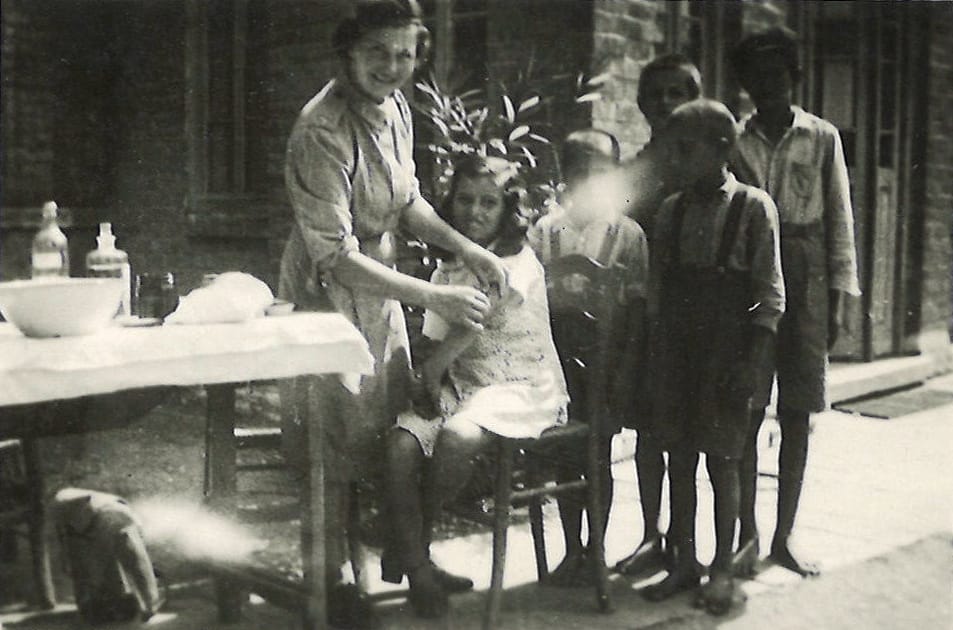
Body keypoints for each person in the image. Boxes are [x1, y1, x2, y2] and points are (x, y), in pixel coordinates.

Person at [277, 2, 507, 627]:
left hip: (379, 289)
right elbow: (334, 254)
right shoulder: (320, 129)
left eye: (405, 54)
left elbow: (406, 201)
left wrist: (469, 247)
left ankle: (408, 555)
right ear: (348, 50)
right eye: (378, 52)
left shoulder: (396, 108)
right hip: (325, 294)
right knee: (332, 440)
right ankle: (331, 584)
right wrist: (433, 296)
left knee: (387, 428)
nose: (392, 66)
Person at [386, 155, 569, 617]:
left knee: (457, 437)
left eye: (489, 203)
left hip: (520, 383)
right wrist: (423, 379)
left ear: (509, 211)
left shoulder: (517, 262)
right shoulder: (446, 271)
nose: (475, 212)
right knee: (401, 445)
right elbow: (433, 342)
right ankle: (419, 564)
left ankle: (405, 542)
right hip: (462, 383)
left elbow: (475, 324)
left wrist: (432, 370)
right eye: (465, 200)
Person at [642, 99, 784, 615]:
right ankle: (684, 561)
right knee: (677, 456)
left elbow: (770, 297)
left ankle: (723, 565)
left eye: (686, 150)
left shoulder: (753, 208)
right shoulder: (669, 211)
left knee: (723, 460)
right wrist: (657, 358)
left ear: (724, 150)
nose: (676, 161)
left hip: (728, 354)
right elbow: (657, 291)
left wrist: (751, 366)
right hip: (678, 351)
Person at [728, 27, 861, 578]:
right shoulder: (735, 140)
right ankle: (748, 537)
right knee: (747, 406)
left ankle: (784, 535)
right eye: (758, 78)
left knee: (799, 410)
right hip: (752, 276)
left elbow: (839, 217)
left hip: (806, 270)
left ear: (793, 76)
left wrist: (837, 298)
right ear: (747, 84)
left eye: (778, 75)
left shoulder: (822, 137)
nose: (769, 86)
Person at [528, 129, 649, 587]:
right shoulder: (545, 231)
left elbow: (636, 313)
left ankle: (595, 548)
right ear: (563, 176)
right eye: (577, 170)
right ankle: (571, 548)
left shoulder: (627, 235)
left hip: (605, 365)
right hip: (556, 365)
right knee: (564, 454)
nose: (587, 180)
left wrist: (624, 373)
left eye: (599, 172)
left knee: (597, 455)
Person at [614, 53, 702, 579]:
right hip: (649, 314)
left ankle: (685, 543)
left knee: (688, 434)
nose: (667, 104)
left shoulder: (709, 166)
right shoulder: (637, 169)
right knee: (648, 429)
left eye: (679, 93)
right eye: (658, 95)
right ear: (643, 103)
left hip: (697, 316)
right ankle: (652, 533)